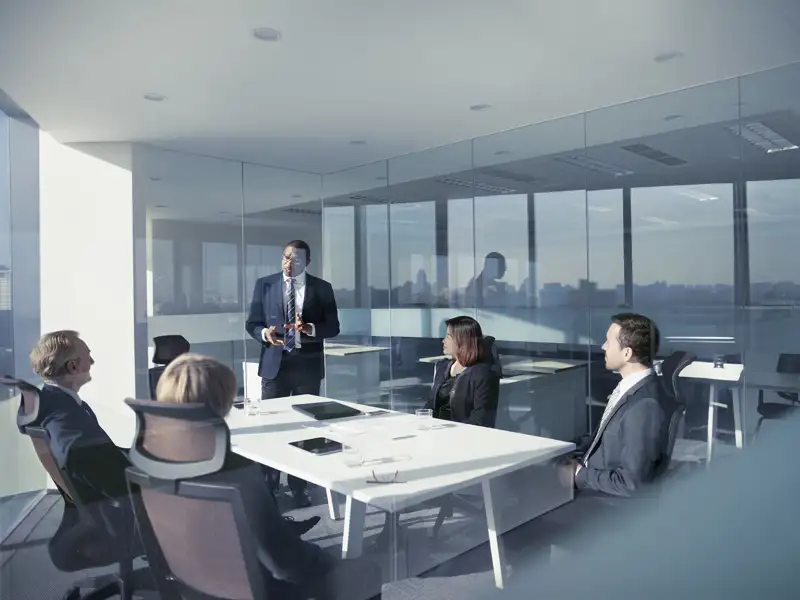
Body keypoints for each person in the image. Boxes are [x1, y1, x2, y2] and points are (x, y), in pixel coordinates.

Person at [156, 354, 381, 600]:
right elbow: (283, 562)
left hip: (190, 582)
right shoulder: (231, 468)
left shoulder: (153, 457)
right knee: (366, 571)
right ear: (223, 401)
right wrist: (329, 561)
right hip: (250, 587)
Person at [22, 330, 138, 570]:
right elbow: (95, 467)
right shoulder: (68, 423)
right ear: (73, 367)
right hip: (115, 521)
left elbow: (100, 457)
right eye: (88, 357)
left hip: (96, 510)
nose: (92, 362)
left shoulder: (54, 404)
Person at [245, 239, 340, 507]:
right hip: (275, 367)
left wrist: (309, 328)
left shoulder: (322, 288)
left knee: (306, 428)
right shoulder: (265, 284)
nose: (290, 263)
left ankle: (300, 486)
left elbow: (333, 327)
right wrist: (264, 334)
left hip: (307, 366)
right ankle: (269, 487)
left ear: (307, 263)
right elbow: (252, 323)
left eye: (296, 260)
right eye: (286, 257)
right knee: (271, 428)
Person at [565, 312, 668, 497]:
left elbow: (630, 483)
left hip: (598, 497)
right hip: (589, 473)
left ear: (627, 353)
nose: (603, 347)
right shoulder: (629, 389)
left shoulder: (644, 406)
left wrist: (579, 474)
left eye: (608, 342)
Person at [425, 315, 500, 428]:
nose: (443, 341)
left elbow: (480, 419)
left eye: (448, 337)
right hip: (436, 432)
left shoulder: (483, 374)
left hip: (464, 437)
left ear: (462, 341)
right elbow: (430, 405)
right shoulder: (442, 368)